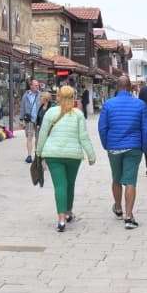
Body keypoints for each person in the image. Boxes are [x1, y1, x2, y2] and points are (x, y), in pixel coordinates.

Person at [36, 86, 96, 232]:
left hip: (53, 155)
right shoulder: (78, 114)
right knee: (70, 184)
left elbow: (43, 134)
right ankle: (68, 212)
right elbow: (83, 137)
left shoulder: (50, 112)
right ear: (73, 97)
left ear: (58, 97)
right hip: (73, 156)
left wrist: (38, 153)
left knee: (59, 186)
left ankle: (61, 219)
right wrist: (91, 155)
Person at [98, 76, 147, 230]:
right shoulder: (141, 105)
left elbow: (102, 128)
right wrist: (144, 147)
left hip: (114, 147)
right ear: (130, 88)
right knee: (130, 181)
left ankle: (118, 208)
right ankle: (129, 217)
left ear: (117, 87)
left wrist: (106, 144)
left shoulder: (108, 104)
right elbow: (146, 129)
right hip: (134, 147)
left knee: (116, 178)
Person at [20, 80, 41, 163]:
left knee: (38, 138)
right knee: (29, 137)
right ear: (31, 86)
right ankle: (29, 156)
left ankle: (37, 155)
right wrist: (21, 119)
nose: (36, 87)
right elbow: (22, 107)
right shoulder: (26, 95)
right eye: (35, 85)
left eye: (37, 85)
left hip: (38, 120)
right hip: (29, 120)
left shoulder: (40, 95)